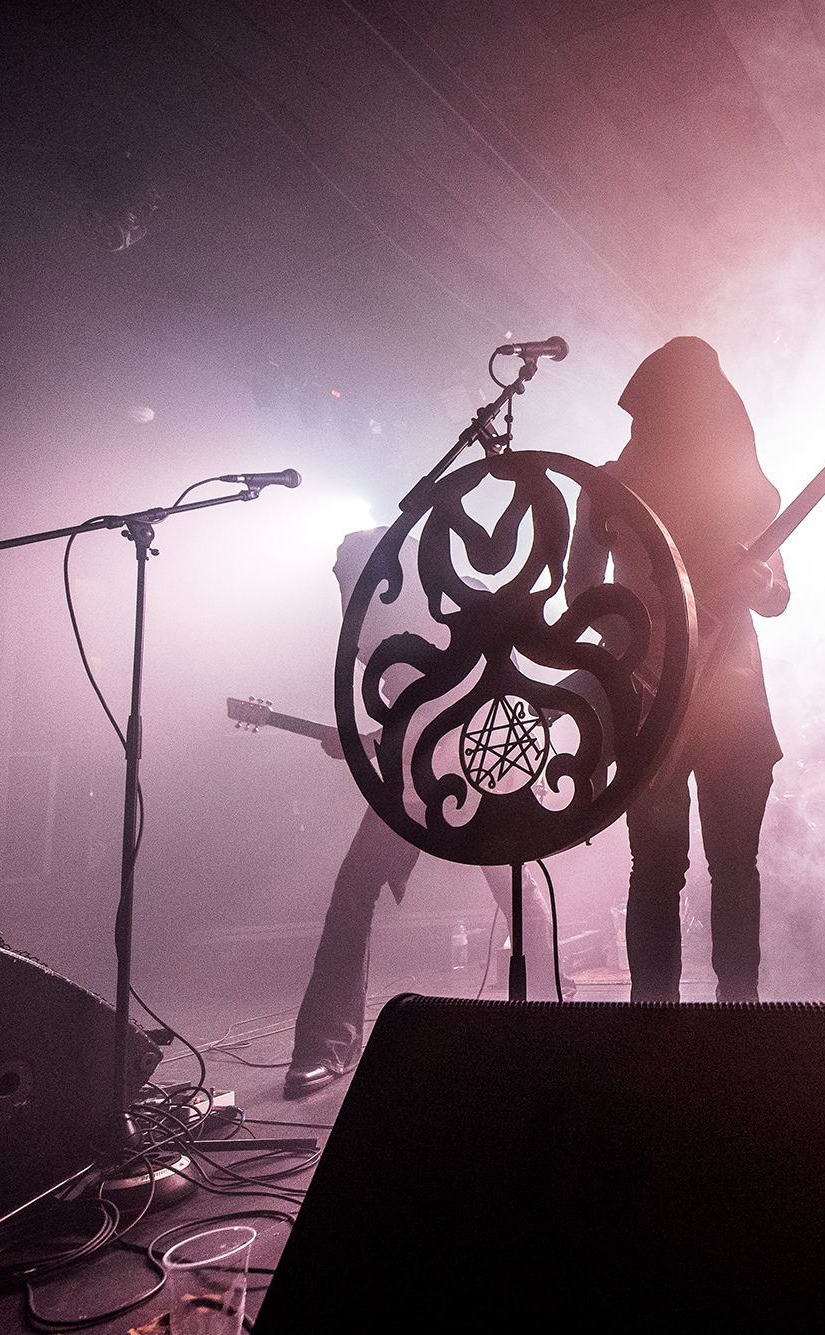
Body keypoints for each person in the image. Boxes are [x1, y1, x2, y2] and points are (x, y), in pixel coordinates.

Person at [283, 529, 557, 1100]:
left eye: (349, 577)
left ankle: (550, 1007)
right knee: (355, 892)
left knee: (512, 883)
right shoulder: (371, 622)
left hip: (478, 768)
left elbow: (490, 686)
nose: (347, 592)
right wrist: (366, 741)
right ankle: (325, 1045)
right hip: (411, 776)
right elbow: (408, 709)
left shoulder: (459, 592)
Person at [568, 336, 789, 1003]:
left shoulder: (739, 491)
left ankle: (735, 1011)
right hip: (650, 702)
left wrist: (759, 584)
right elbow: (581, 592)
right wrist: (639, 656)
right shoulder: (608, 487)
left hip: (732, 701)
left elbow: (779, 594)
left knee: (731, 864)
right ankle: (655, 1017)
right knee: (661, 867)